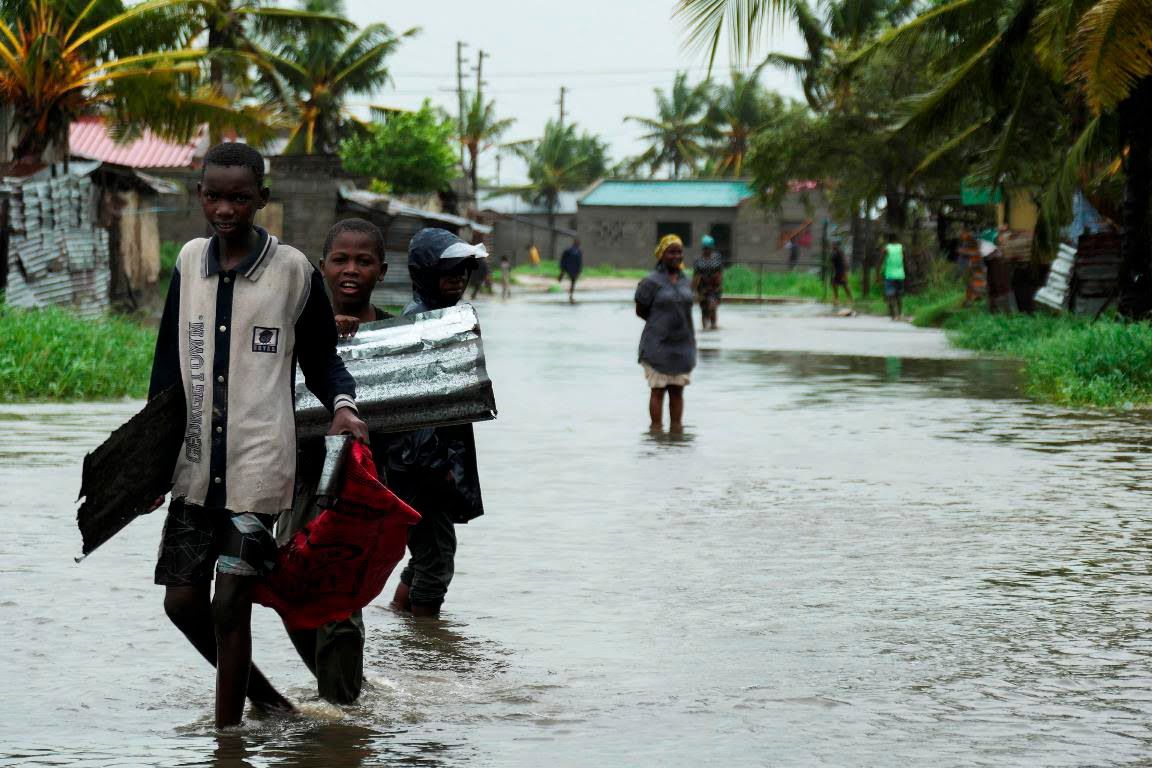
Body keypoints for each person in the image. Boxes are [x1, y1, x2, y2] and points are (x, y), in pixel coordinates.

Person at [148, 142, 369, 727]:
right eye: (214, 195)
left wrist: (343, 406)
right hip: (194, 466)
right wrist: (148, 462)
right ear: (200, 195)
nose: (226, 208)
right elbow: (166, 370)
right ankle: (266, 700)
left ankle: (228, 740)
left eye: (239, 197)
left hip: (260, 466)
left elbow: (323, 360)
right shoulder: (189, 261)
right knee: (182, 601)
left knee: (229, 606)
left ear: (261, 201)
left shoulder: (294, 271)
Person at [281, 218, 392, 705]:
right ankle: (345, 689)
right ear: (321, 266)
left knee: (342, 598)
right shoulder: (297, 326)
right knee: (288, 586)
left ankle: (342, 715)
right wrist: (324, 331)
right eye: (340, 260)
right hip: (300, 476)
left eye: (363, 261)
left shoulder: (397, 333)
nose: (351, 270)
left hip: (362, 484)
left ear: (381, 271)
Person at [388, 228, 487, 618]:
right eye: (449, 272)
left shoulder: (443, 318)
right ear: (426, 273)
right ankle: (426, 648)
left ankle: (399, 619)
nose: (459, 278)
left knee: (425, 550)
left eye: (464, 270)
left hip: (426, 463)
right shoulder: (422, 325)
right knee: (437, 559)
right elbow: (418, 407)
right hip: (422, 466)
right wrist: (438, 468)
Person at [635, 234, 696, 430]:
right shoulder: (650, 282)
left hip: (682, 344)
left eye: (679, 252)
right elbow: (641, 310)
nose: (676, 256)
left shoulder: (686, 280)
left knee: (678, 390)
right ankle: (656, 432)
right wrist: (661, 323)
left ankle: (676, 433)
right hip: (657, 345)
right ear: (661, 255)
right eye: (671, 252)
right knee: (658, 390)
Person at [691, 234, 724, 330]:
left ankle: (713, 324)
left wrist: (719, 285)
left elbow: (720, 273)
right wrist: (693, 290)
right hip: (702, 288)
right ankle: (705, 326)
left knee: (712, 306)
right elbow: (696, 276)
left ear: (712, 248)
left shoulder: (717, 259)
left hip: (714, 288)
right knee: (704, 308)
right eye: (705, 248)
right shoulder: (698, 261)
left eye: (708, 248)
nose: (706, 250)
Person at [876, 232, 905, 320]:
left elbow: (880, 261)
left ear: (888, 240)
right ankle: (899, 314)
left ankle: (893, 315)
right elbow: (905, 261)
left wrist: (877, 274)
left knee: (890, 295)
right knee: (899, 295)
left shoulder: (886, 248)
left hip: (890, 275)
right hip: (900, 274)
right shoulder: (901, 248)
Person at [558, 238, 583, 303]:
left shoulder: (578, 251)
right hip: (570, 267)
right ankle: (570, 294)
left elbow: (579, 262)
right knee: (572, 281)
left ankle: (571, 295)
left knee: (573, 281)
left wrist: (579, 270)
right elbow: (563, 259)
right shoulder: (570, 251)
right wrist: (562, 267)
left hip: (571, 268)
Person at [830, 240, 853, 305]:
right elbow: (832, 262)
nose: (833, 246)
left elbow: (845, 262)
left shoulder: (840, 252)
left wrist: (845, 272)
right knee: (834, 284)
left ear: (837, 245)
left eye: (834, 244)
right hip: (836, 271)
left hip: (841, 271)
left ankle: (850, 298)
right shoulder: (834, 252)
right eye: (833, 244)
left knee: (845, 284)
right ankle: (836, 298)